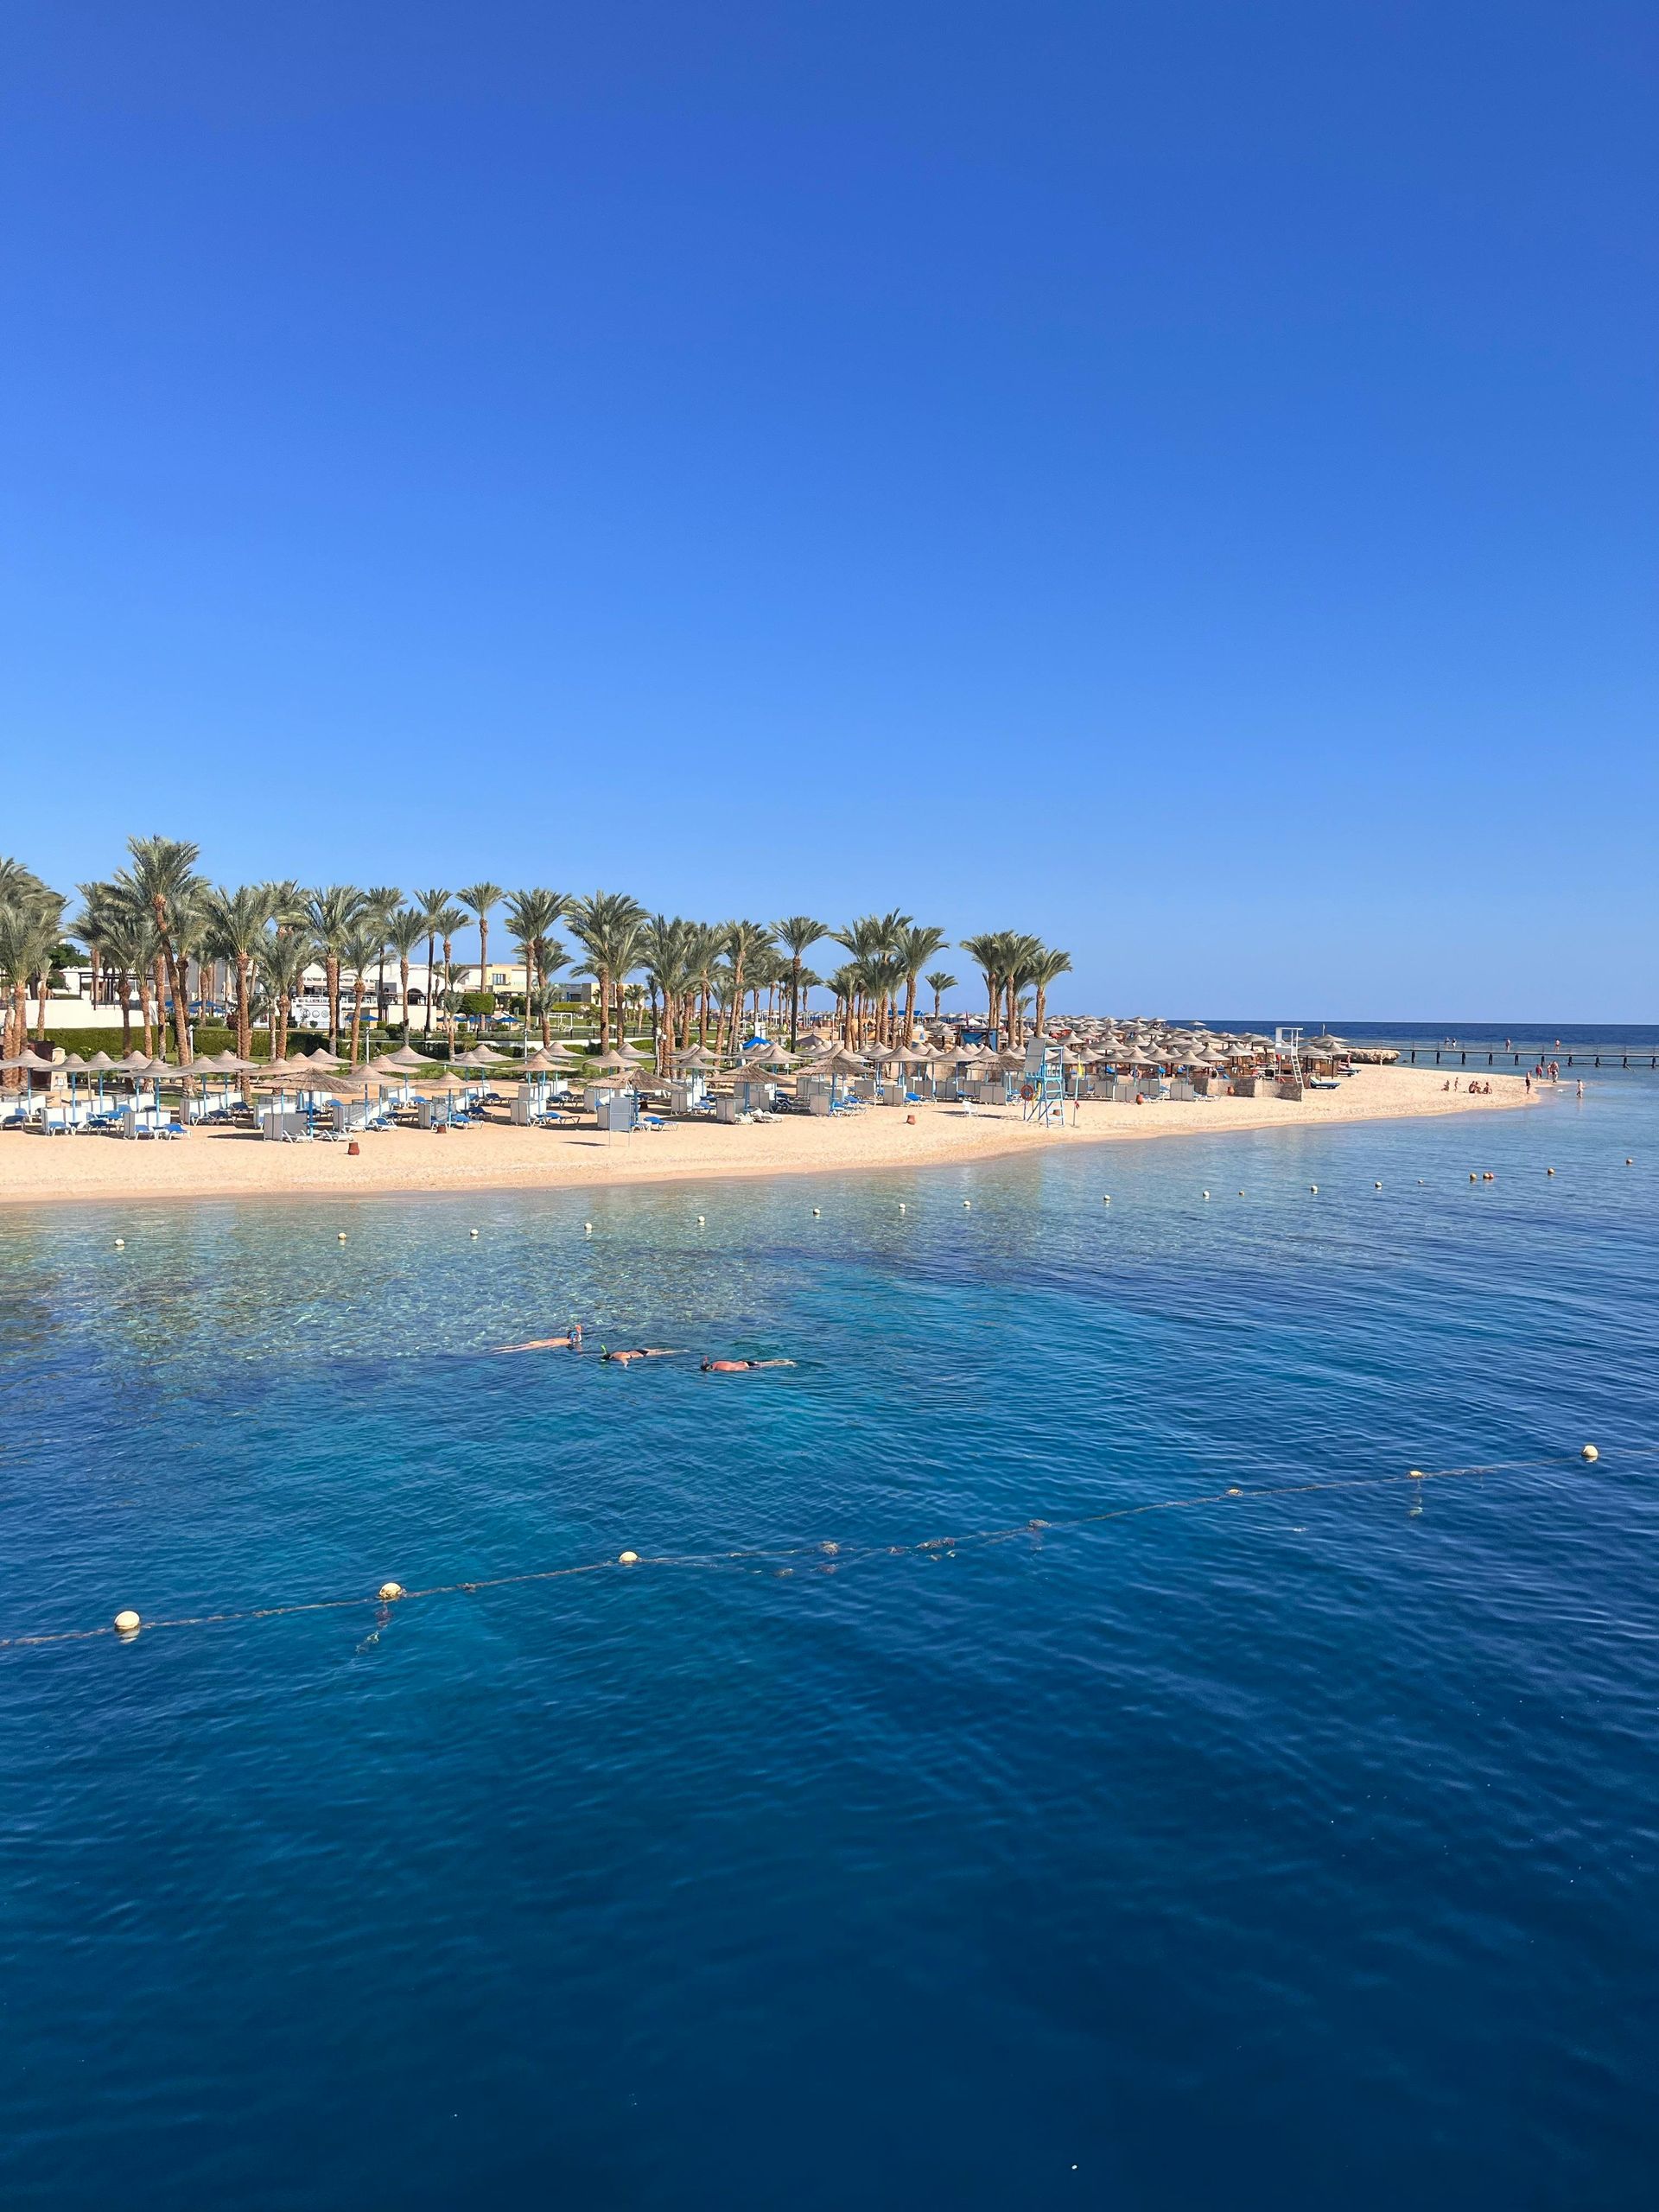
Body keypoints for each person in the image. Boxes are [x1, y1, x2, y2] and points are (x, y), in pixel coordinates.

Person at [495, 1323, 584, 1353]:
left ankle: (498, 1349)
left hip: (539, 1342)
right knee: (517, 1349)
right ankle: (501, 1351)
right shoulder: (566, 1342)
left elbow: (550, 1341)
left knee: (519, 1346)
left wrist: (578, 1331)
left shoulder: (562, 1339)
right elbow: (578, 1340)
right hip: (541, 1345)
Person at [701, 1357, 797, 1372]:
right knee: (766, 1362)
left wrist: (750, 1373)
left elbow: (736, 1370)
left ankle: (787, 1363)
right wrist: (705, 1361)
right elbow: (705, 1362)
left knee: (769, 1366)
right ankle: (783, 1360)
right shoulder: (716, 1363)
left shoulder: (723, 1370)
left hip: (746, 1366)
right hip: (744, 1361)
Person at [601, 1346, 685, 1363]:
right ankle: (668, 1347)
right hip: (638, 1349)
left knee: (662, 1354)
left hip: (641, 1354)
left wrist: (625, 1368)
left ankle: (681, 1350)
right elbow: (605, 1353)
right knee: (656, 1349)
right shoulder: (615, 1353)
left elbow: (625, 1362)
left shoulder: (618, 1357)